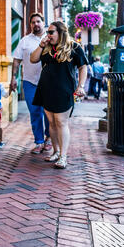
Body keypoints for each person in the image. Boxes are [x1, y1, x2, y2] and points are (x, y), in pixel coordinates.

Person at [30, 21, 87, 169]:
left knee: (61, 122)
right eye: (47, 32)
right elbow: (33, 59)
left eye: (51, 32)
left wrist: (81, 86)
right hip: (46, 89)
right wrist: (41, 45)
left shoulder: (74, 47)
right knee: (52, 123)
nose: (48, 35)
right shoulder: (47, 47)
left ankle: (63, 156)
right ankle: (55, 152)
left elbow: (83, 67)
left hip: (64, 90)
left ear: (61, 33)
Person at [10, 13, 51, 154]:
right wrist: (13, 78)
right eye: (33, 22)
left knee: (48, 113)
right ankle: (39, 142)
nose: (36, 24)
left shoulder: (51, 38)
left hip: (48, 83)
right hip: (29, 82)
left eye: (38, 21)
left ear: (43, 22)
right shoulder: (25, 41)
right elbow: (16, 60)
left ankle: (49, 139)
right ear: (30, 25)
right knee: (35, 112)